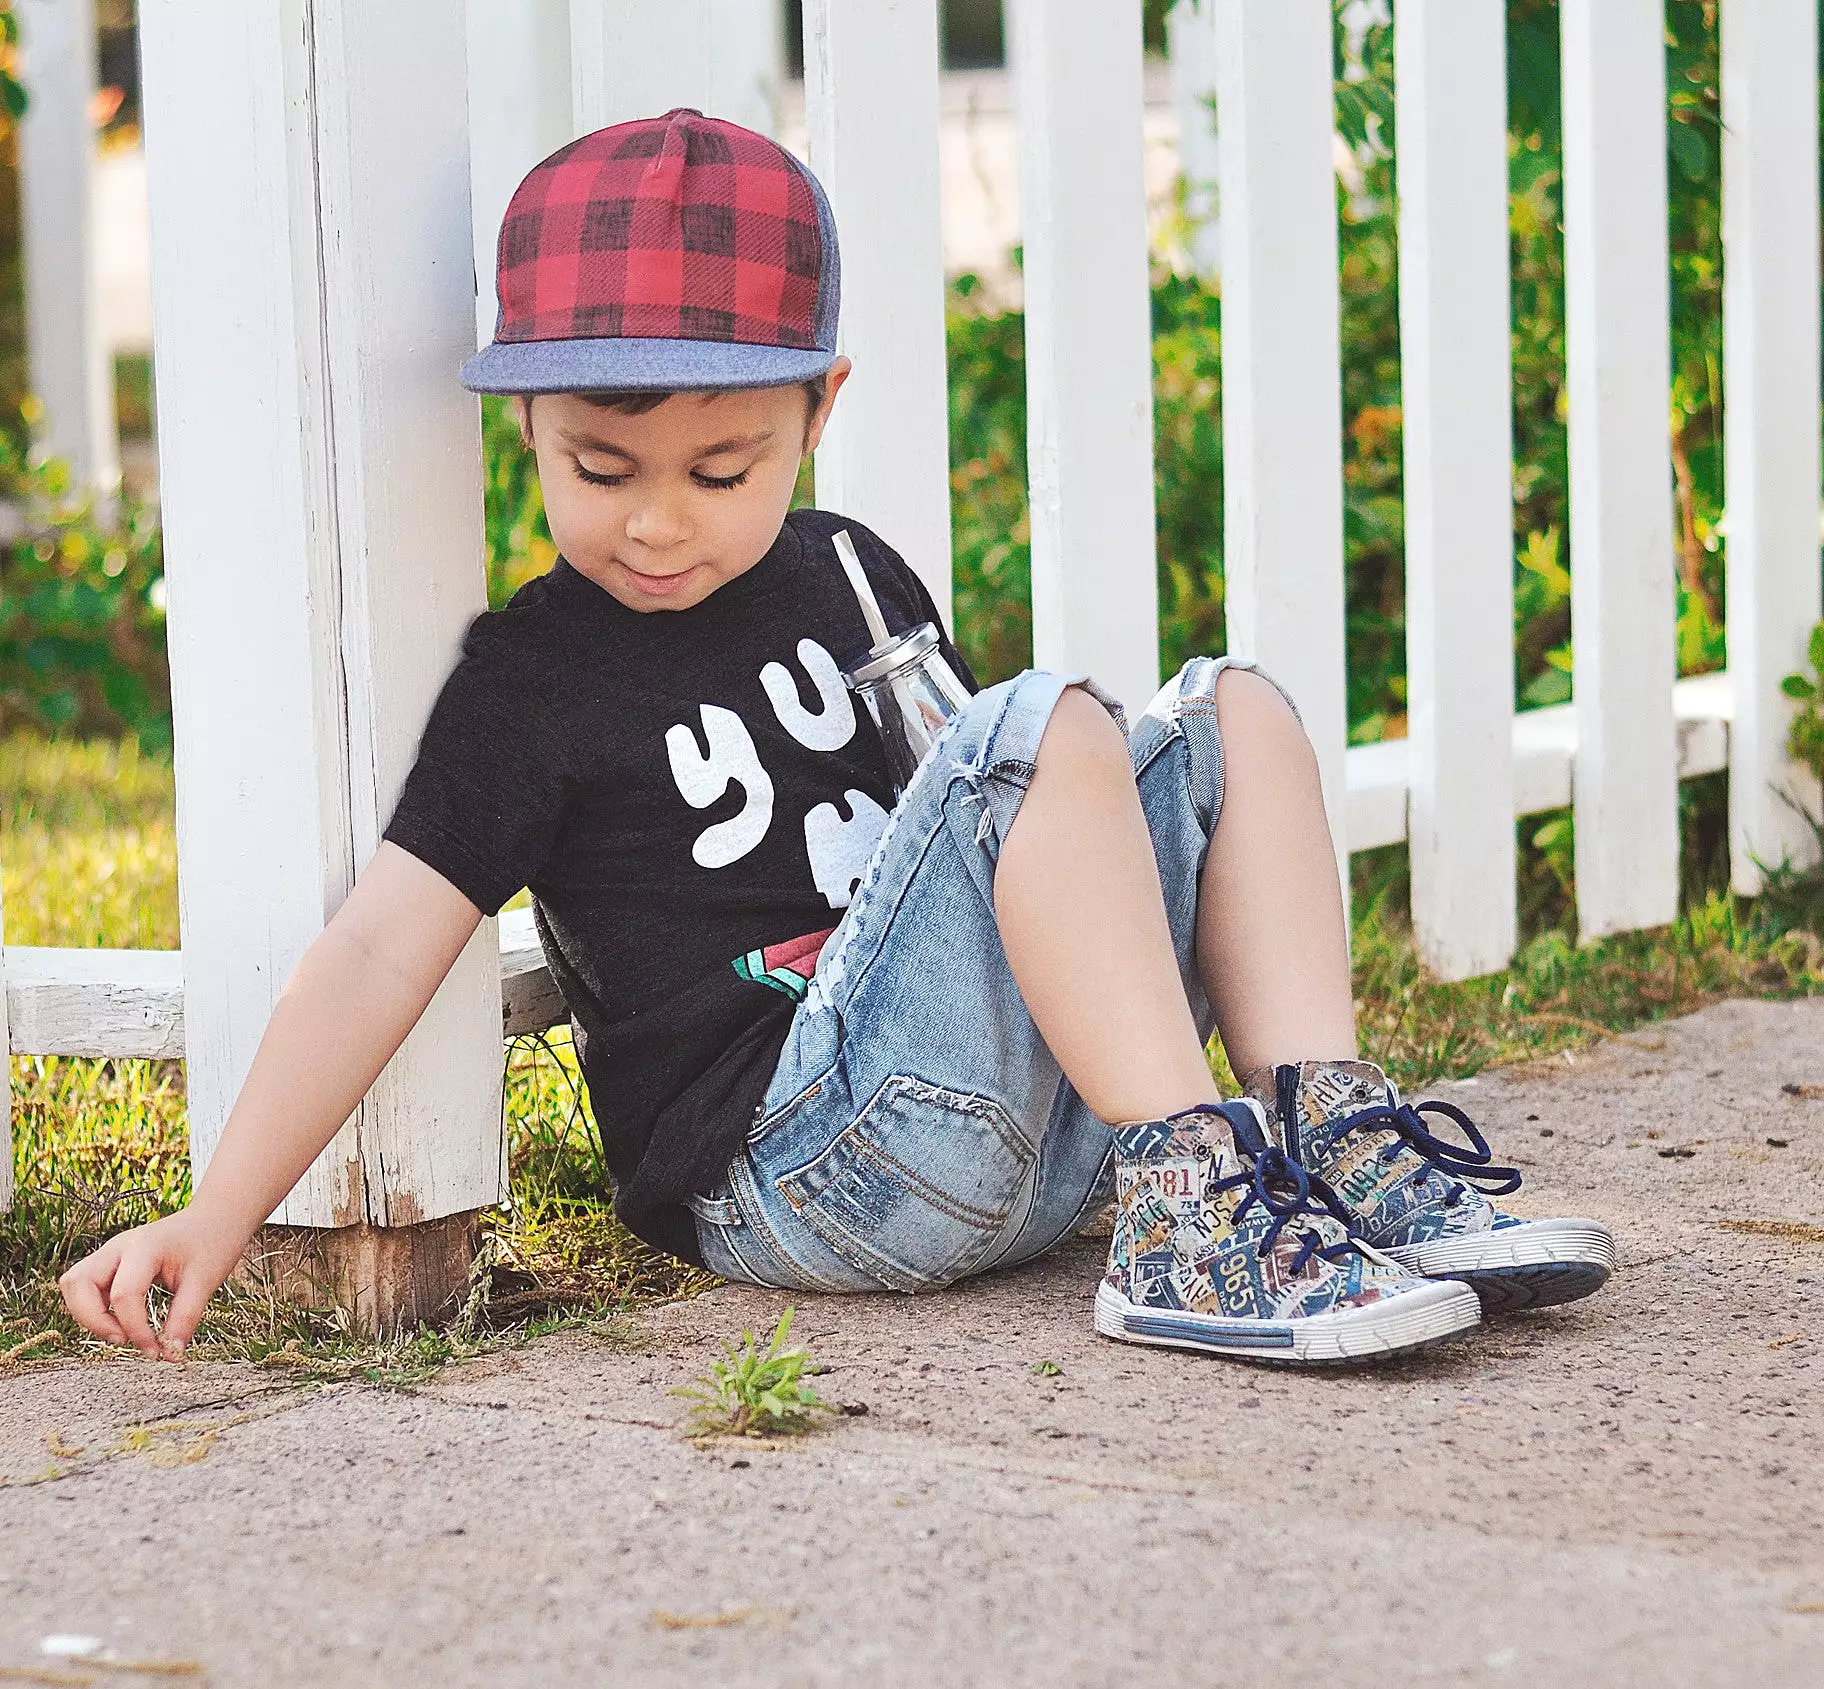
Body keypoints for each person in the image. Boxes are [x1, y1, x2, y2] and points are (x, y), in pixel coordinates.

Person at [60, 110, 1614, 1368]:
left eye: (722, 469)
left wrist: (1067, 766)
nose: (658, 525)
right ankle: (1197, 1216)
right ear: (522, 429)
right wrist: (220, 1212)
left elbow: (1029, 853)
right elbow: (382, 951)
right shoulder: (533, 679)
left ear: (818, 413)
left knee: (1237, 713)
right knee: (1031, 730)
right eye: (599, 469)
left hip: (1031, 1132)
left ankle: (1304, 1142)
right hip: (799, 1169)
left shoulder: (854, 571)